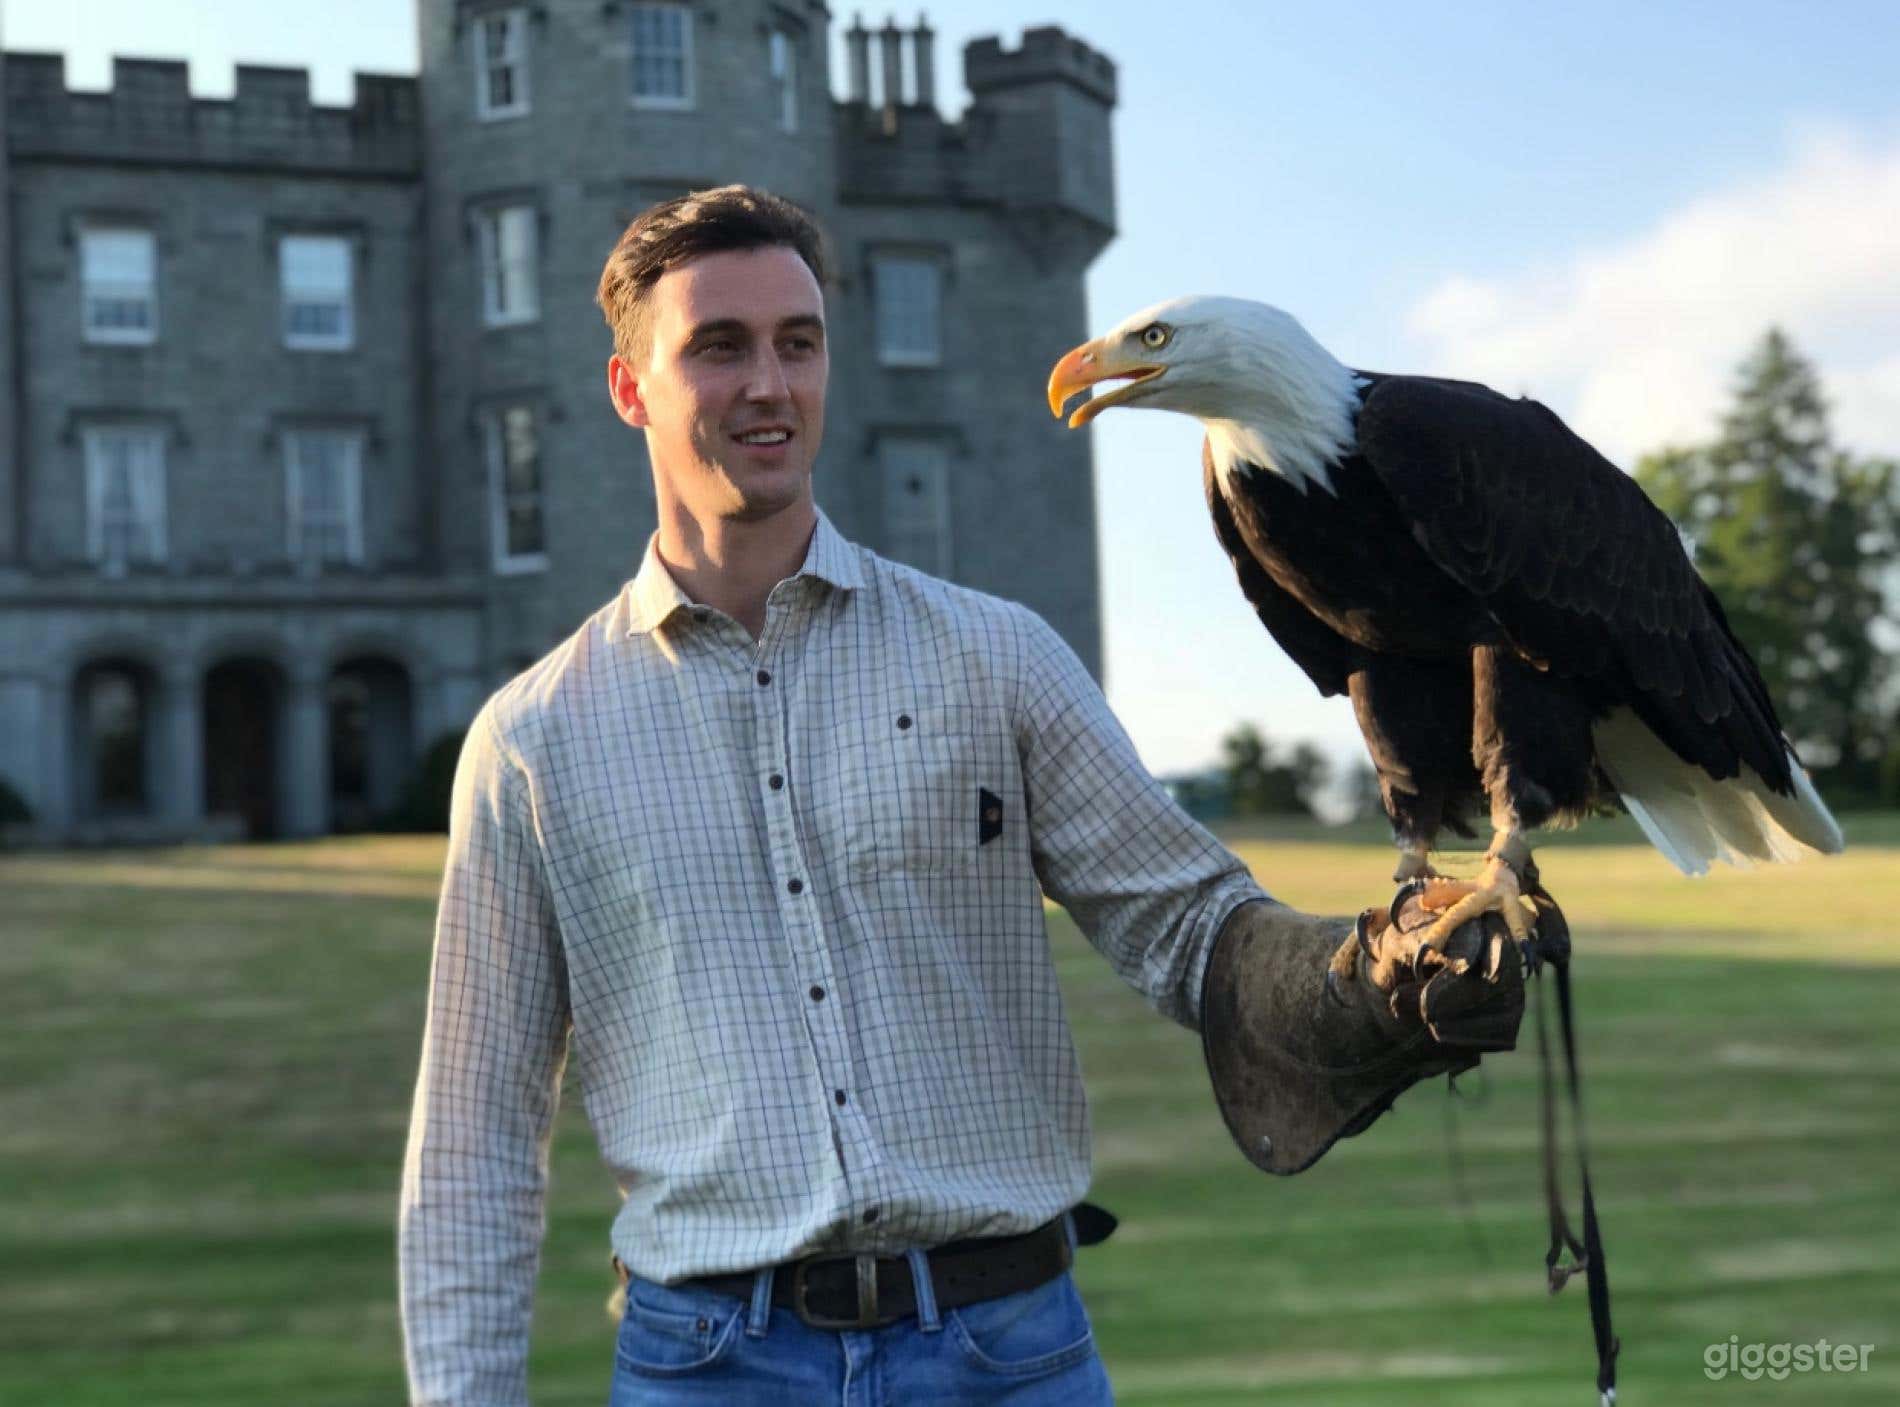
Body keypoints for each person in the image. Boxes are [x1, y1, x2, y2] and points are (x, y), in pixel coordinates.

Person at [397, 185, 1509, 1407]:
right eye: (718, 348)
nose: (769, 384)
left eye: (797, 343)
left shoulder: (995, 655)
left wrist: (1370, 971)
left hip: (1004, 1353)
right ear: (629, 391)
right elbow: (474, 1139)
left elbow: (1184, 924)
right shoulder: (532, 743)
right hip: (706, 1366)